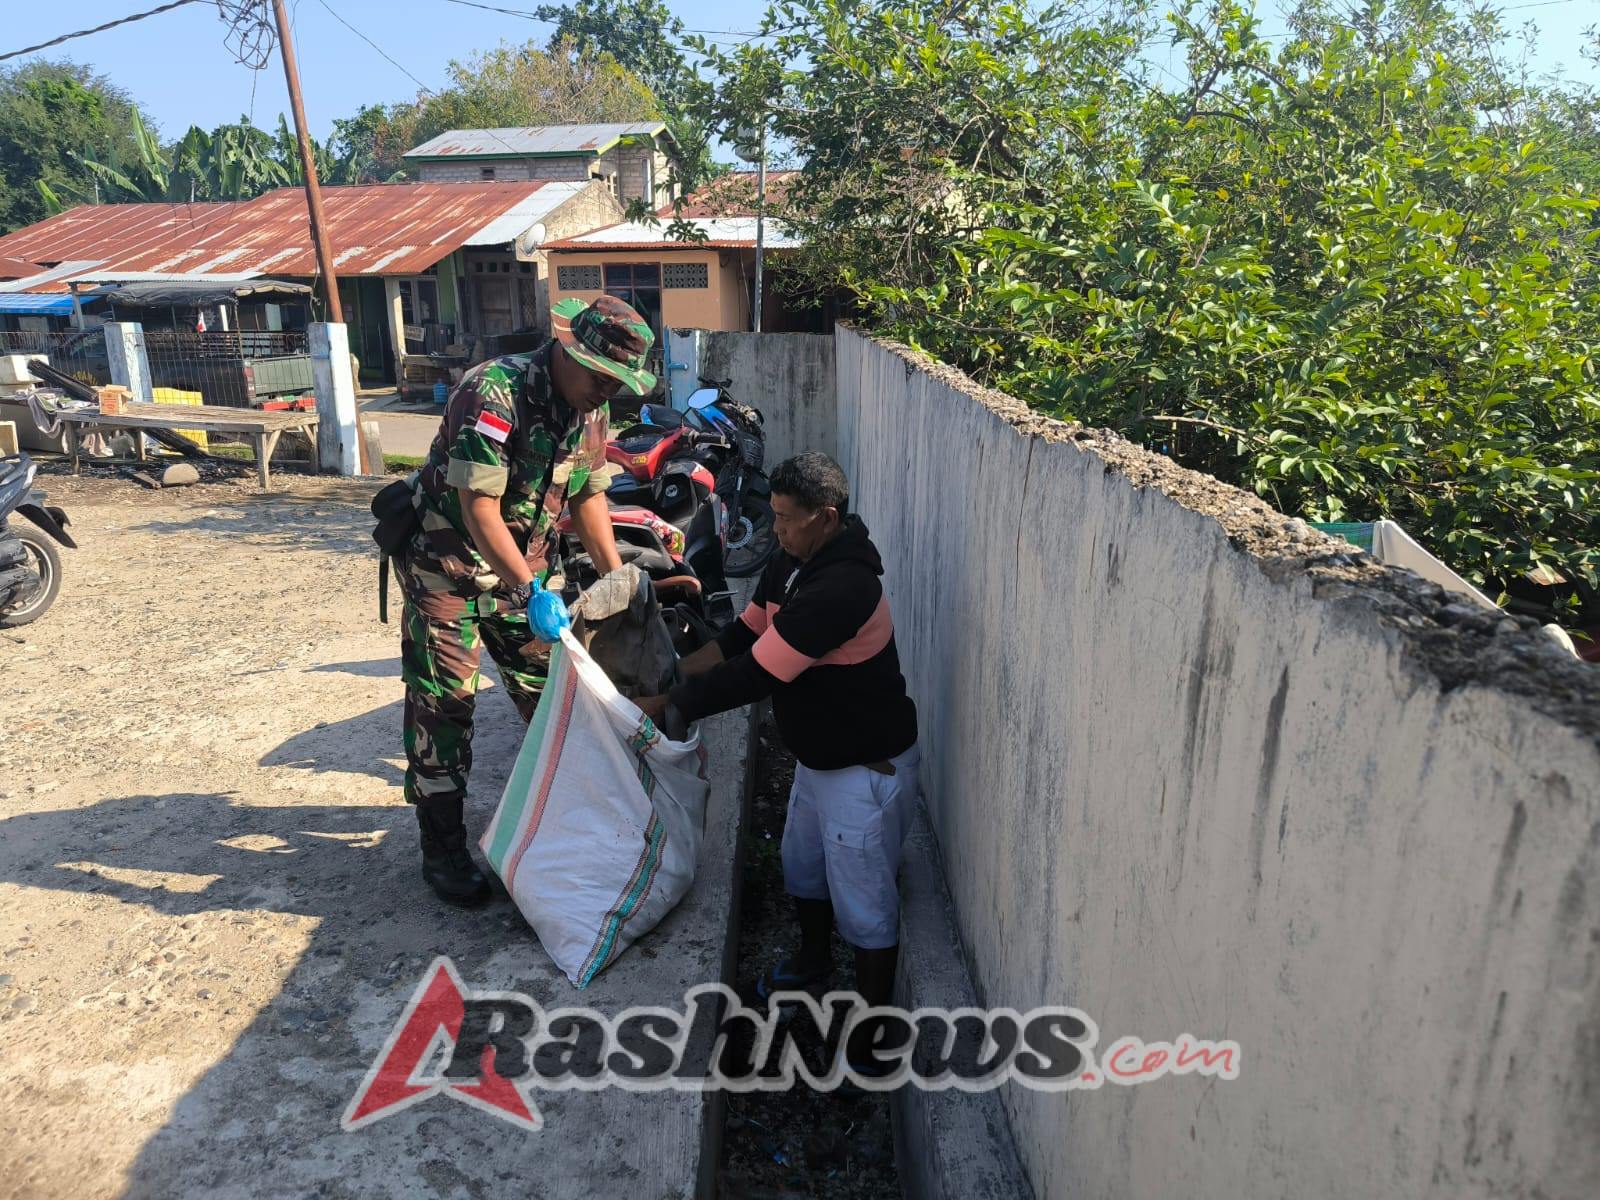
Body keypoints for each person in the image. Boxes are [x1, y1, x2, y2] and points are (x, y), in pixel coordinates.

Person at [637, 452, 920, 1060]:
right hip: (822, 760)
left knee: (867, 906)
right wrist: (672, 674)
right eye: (777, 517)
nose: (779, 530)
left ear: (826, 517)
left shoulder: (844, 588)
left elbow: (759, 673)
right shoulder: (794, 562)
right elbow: (744, 634)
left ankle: (871, 1036)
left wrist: (667, 704)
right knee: (801, 867)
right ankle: (813, 964)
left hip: (863, 769)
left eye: (789, 520)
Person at [398, 296, 655, 907]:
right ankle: (443, 850)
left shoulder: (591, 413)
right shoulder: (492, 392)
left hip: (525, 576)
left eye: (618, 383)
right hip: (449, 571)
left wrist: (615, 580)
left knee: (557, 702)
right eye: (600, 376)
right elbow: (477, 506)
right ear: (569, 351)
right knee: (445, 711)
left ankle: (563, 827)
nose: (605, 391)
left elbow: (589, 496)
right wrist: (528, 590)